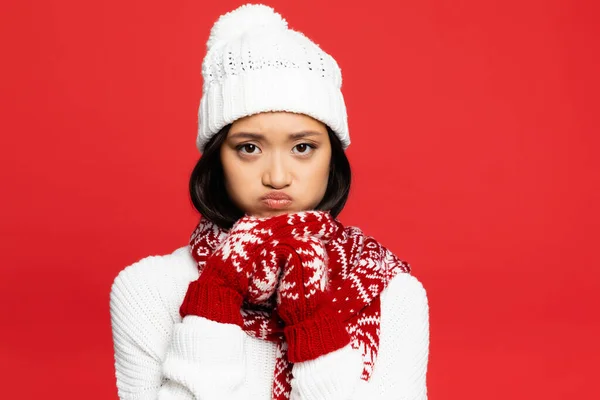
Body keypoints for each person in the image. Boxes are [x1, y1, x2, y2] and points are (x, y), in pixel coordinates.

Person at [109, 3, 430, 400]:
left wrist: (313, 325)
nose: (276, 177)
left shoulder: (390, 291)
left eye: (302, 147)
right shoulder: (149, 289)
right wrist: (214, 299)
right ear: (216, 158)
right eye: (248, 147)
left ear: (332, 157)